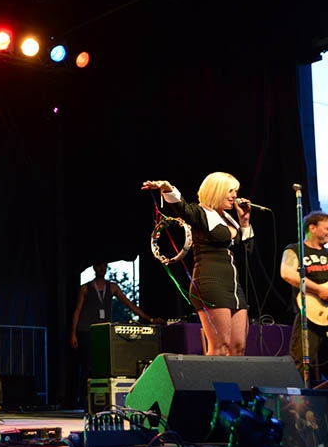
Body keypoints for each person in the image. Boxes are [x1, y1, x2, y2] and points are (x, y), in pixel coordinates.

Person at [142, 173, 253, 356]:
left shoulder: (228, 218)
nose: (234, 195)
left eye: (235, 191)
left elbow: (247, 252)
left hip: (233, 287)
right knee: (220, 346)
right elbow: (182, 207)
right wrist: (168, 188)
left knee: (238, 347)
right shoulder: (201, 214)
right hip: (210, 283)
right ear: (216, 191)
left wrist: (245, 222)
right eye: (230, 191)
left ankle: (235, 377)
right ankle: (213, 377)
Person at [69, 260, 163, 405]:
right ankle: (86, 401)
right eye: (99, 265)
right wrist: (73, 333)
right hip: (86, 330)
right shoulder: (86, 288)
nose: (102, 268)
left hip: (103, 332)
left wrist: (149, 319)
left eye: (104, 266)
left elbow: (129, 304)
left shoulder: (112, 287)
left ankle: (101, 400)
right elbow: (77, 310)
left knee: (103, 366)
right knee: (87, 366)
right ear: (94, 268)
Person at [280, 210, 328, 383]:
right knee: (300, 361)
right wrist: (319, 290)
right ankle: (298, 398)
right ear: (312, 228)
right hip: (308, 314)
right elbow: (287, 273)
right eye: (326, 228)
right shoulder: (295, 250)